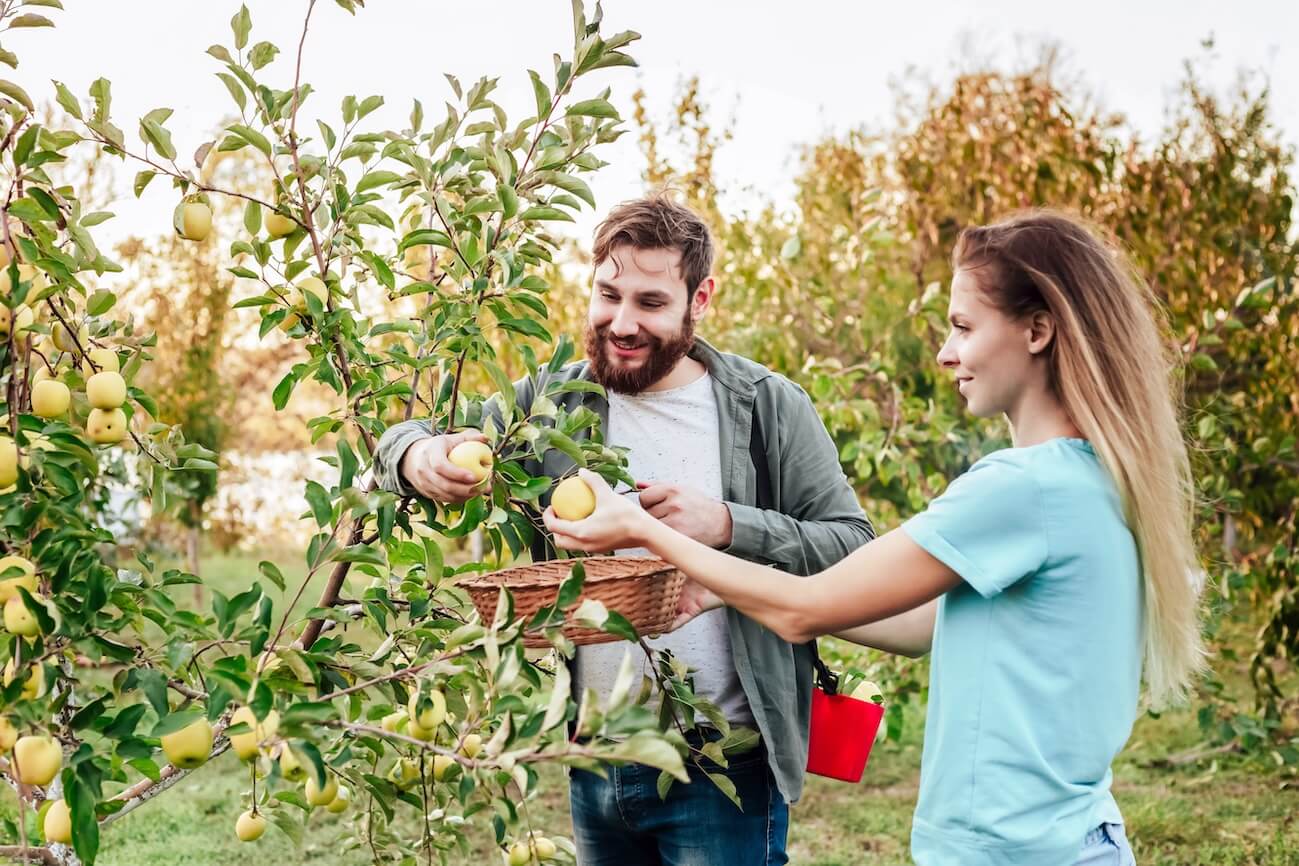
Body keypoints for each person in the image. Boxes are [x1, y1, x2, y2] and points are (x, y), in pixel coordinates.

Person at [545, 210, 1207, 866]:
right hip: (1073, 838)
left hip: (1009, 850)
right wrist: (725, 593)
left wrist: (637, 525)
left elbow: (804, 609)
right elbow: (920, 623)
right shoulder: (1095, 476)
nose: (947, 352)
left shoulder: (1019, 487)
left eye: (962, 327)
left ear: (1036, 331)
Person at [373, 194, 874, 865]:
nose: (622, 322)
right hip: (595, 757)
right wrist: (418, 457)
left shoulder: (766, 408)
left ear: (701, 300)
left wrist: (727, 523)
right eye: (608, 295)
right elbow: (413, 434)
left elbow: (854, 547)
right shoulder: (553, 402)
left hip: (722, 765)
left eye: (650, 302)